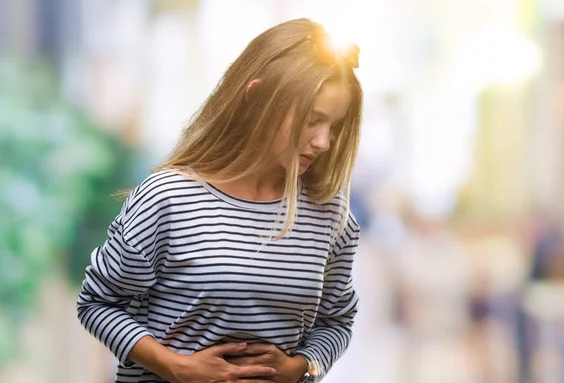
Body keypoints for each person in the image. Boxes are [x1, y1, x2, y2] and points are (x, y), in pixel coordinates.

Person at [76, 18, 362, 383]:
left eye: (334, 126)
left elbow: (336, 322)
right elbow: (98, 304)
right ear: (256, 97)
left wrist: (302, 367)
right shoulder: (167, 198)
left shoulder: (331, 214)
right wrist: (176, 367)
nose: (323, 141)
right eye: (312, 120)